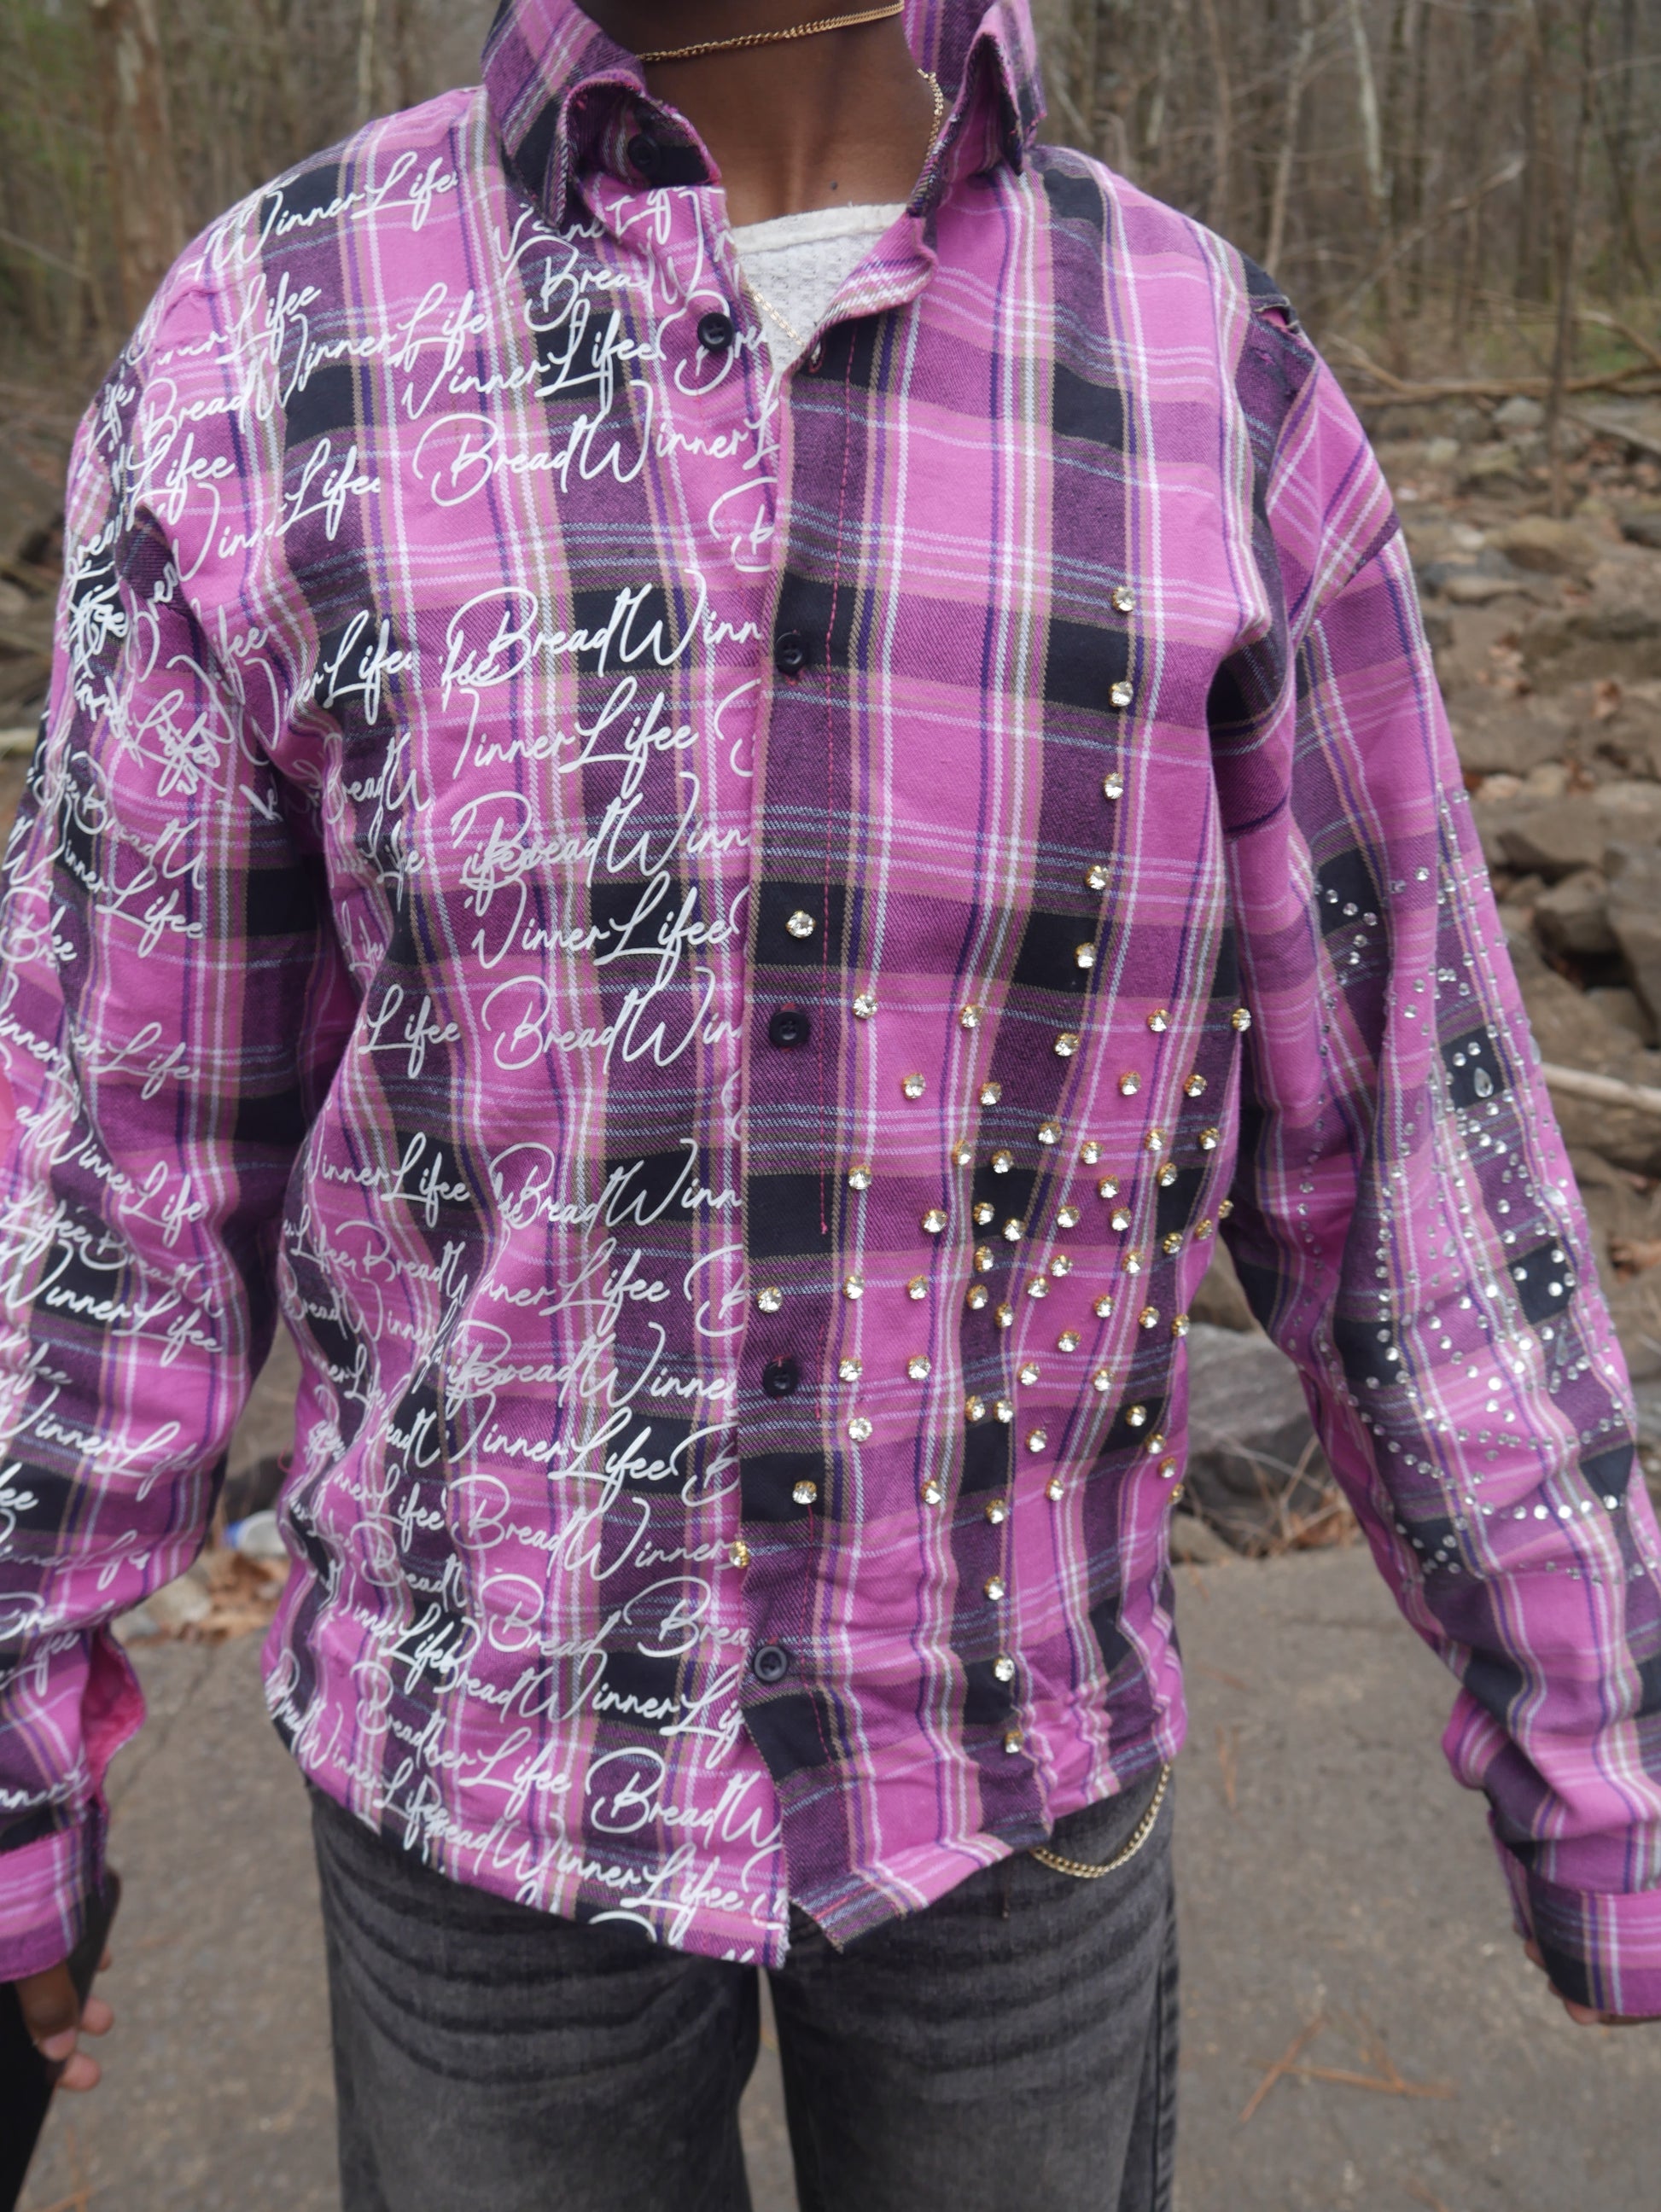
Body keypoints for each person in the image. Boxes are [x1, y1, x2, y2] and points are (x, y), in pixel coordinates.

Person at [3, 1, 1658, 2203]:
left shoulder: (1203, 380)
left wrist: (1600, 1747)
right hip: (478, 1787)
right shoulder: (269, 346)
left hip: (1012, 1775)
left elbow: (1406, 1143)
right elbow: (108, 1146)